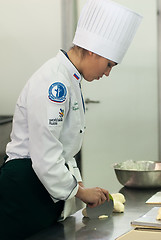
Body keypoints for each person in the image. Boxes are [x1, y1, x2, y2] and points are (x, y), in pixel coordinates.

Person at [0, 0, 142, 239]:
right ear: (92, 50)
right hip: (24, 188)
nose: (107, 73)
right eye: (108, 65)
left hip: (41, 185)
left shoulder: (71, 79)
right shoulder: (54, 83)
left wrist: (80, 187)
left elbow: (63, 150)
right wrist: (78, 191)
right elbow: (45, 155)